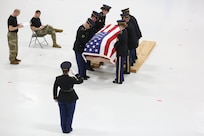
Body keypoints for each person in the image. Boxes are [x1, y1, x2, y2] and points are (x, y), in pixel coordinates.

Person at [53, 61, 83, 133]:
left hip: (61, 96)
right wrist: (77, 75)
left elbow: (55, 87)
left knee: (62, 114)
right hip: (71, 97)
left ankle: (63, 128)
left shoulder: (58, 78)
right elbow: (80, 81)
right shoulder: (71, 79)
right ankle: (68, 128)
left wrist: (55, 96)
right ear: (69, 70)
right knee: (69, 114)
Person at [113, 20, 128, 84]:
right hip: (124, 51)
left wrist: (115, 46)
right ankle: (121, 78)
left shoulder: (121, 34)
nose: (119, 27)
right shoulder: (125, 32)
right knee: (121, 66)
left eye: (120, 26)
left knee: (119, 67)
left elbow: (119, 43)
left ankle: (119, 80)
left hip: (121, 52)